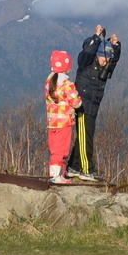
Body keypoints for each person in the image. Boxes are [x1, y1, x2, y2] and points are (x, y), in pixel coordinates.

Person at [65, 23, 123, 181]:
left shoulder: (104, 67)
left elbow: (114, 59)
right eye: (105, 56)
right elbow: (87, 52)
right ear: (97, 54)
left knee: (84, 137)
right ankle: (87, 170)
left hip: (93, 106)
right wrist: (96, 38)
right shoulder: (86, 62)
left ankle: (73, 167)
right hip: (83, 105)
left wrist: (116, 46)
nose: (107, 61)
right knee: (86, 137)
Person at [45, 49, 81, 185]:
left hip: (51, 122)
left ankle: (59, 174)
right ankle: (56, 176)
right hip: (64, 122)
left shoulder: (49, 81)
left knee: (54, 149)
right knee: (62, 150)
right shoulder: (67, 84)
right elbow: (76, 102)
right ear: (67, 67)